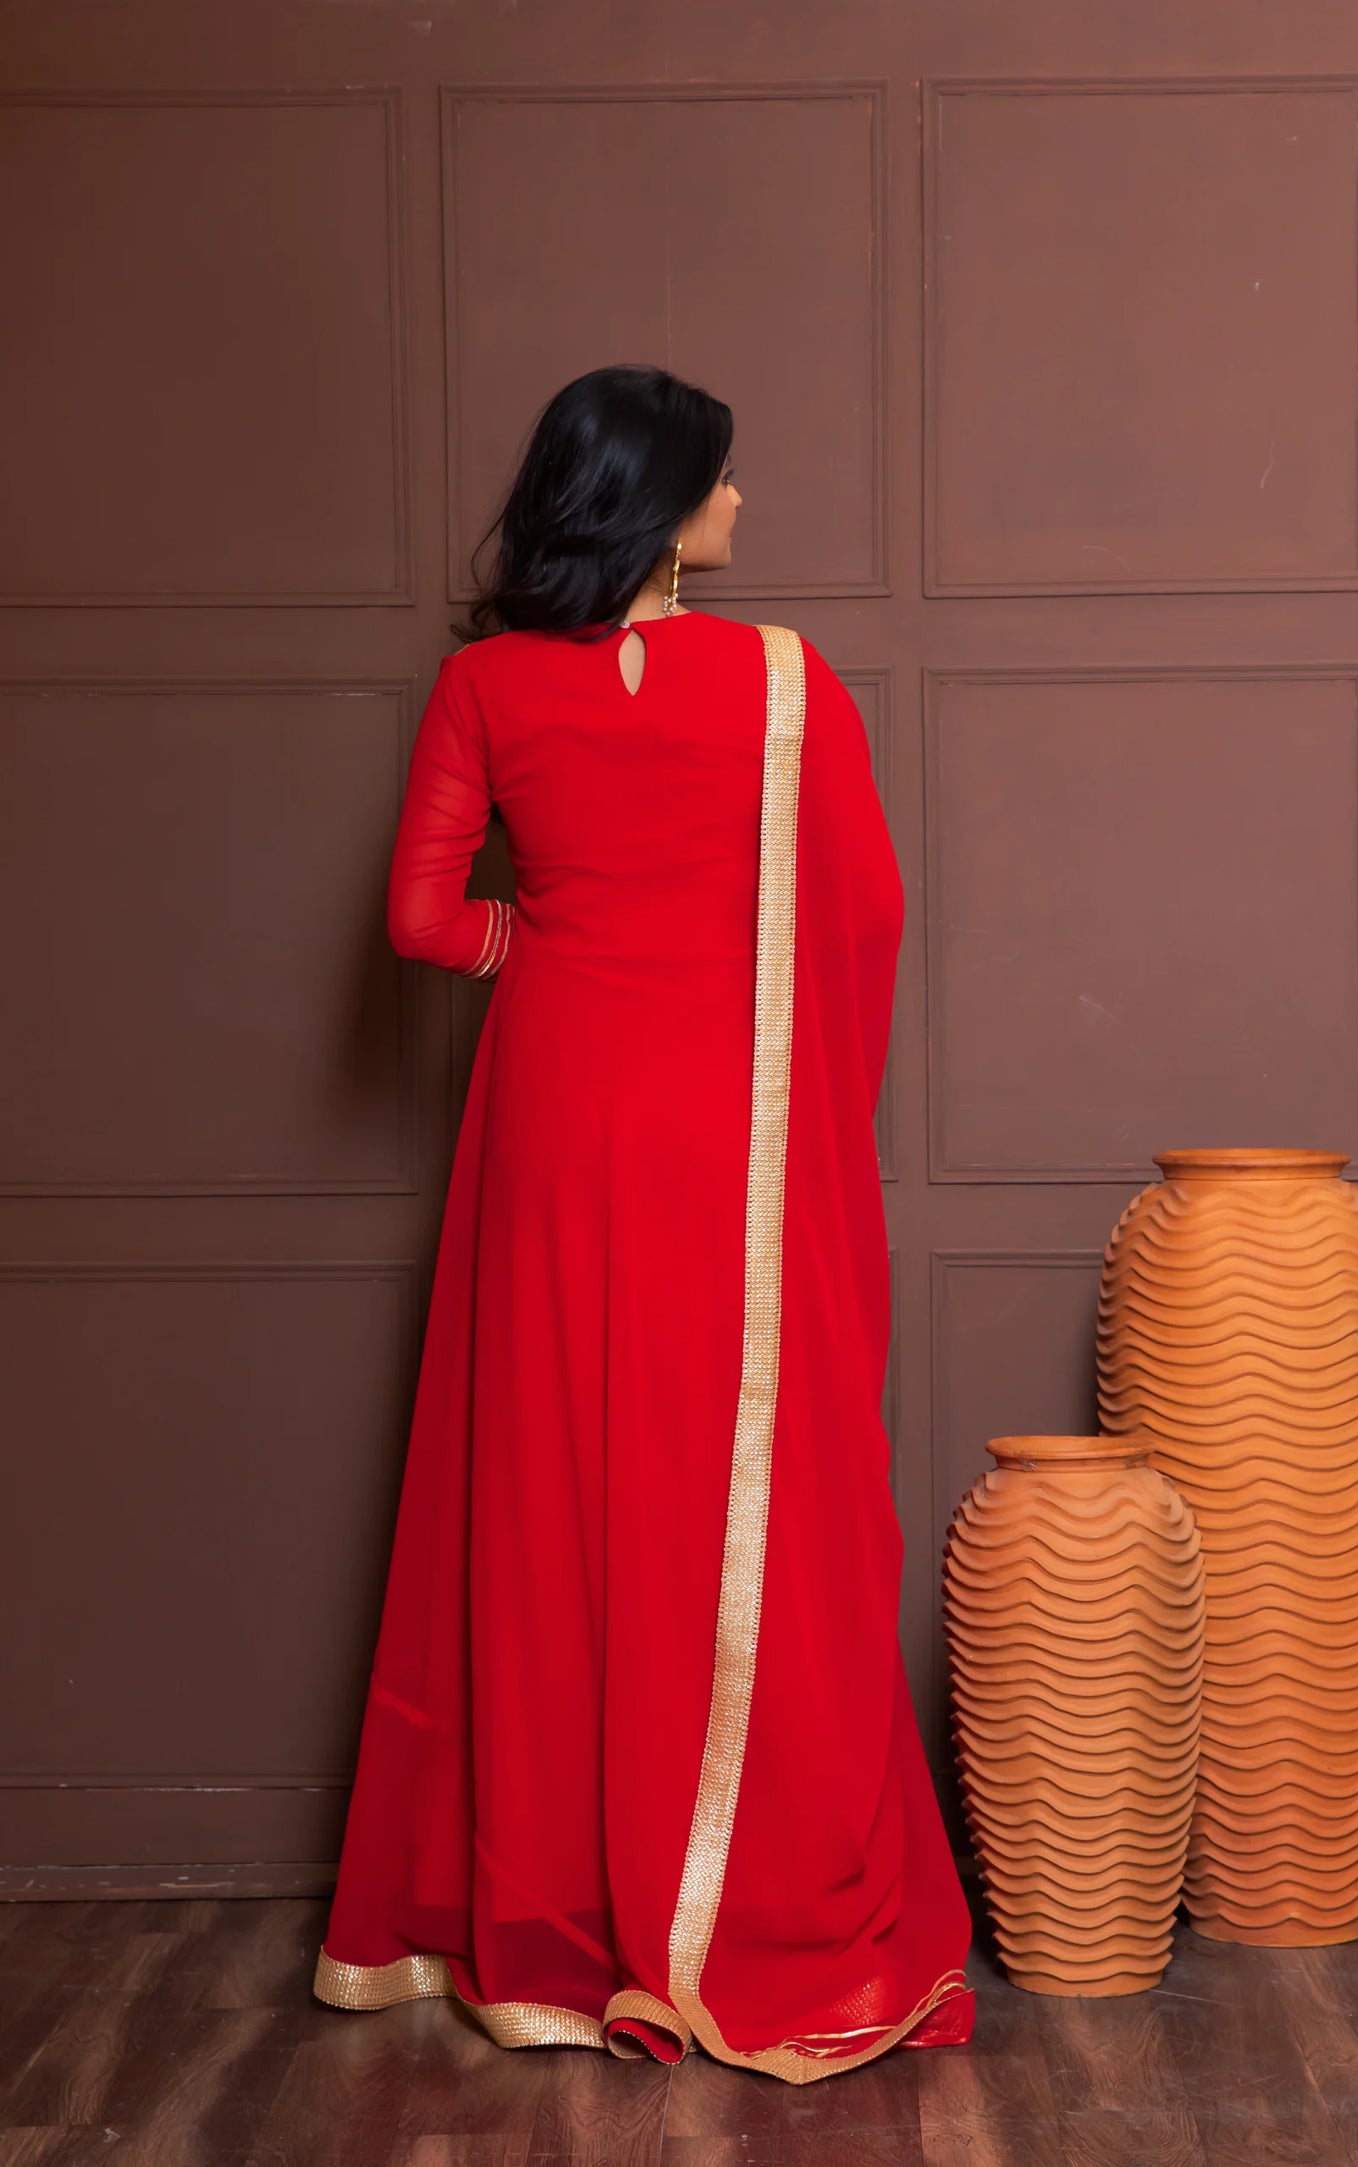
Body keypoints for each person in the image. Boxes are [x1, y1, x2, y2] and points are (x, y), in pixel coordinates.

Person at [312, 363, 975, 2080]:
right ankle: (723, 1896)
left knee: (548, 1479)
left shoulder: (479, 686)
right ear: (666, 503)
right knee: (721, 1477)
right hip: (726, 1133)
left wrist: (530, 957)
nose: (742, 507)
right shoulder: (779, 681)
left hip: (547, 1116)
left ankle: (545, 1925)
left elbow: (414, 919)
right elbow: (867, 909)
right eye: (725, 482)